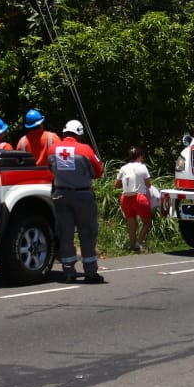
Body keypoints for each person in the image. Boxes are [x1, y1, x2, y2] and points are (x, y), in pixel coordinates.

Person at [47, 120, 105, 283]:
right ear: (79, 133)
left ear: (65, 132)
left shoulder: (52, 149)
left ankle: (69, 272)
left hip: (60, 196)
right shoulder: (85, 149)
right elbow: (99, 171)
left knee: (65, 235)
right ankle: (90, 272)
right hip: (82, 196)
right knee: (87, 233)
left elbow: (50, 168)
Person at [115, 146, 154, 253]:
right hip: (139, 198)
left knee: (132, 225)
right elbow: (148, 184)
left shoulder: (123, 168)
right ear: (140, 156)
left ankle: (132, 246)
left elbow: (116, 185)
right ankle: (138, 243)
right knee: (147, 222)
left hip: (125, 199)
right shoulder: (143, 167)